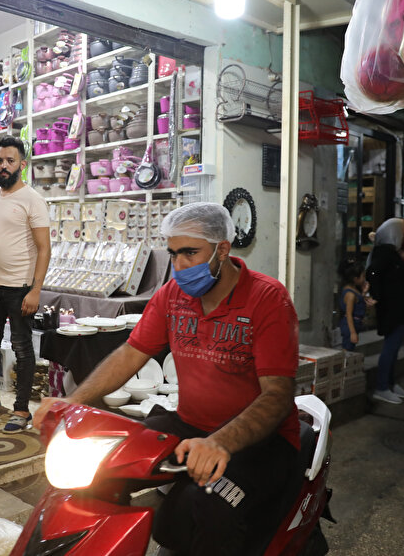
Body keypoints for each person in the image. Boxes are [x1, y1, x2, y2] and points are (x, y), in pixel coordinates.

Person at [34, 202, 301, 556]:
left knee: (208, 505)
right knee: (102, 467)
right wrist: (74, 402)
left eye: (190, 252)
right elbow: (130, 354)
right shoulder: (173, 296)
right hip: (191, 423)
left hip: (261, 442)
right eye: (173, 253)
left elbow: (277, 395)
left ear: (223, 249)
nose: (179, 265)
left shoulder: (268, 299)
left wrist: (220, 442)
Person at [0, 137, 51, 432]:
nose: (3, 166)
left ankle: (21, 409)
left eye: (10, 161)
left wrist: (35, 289)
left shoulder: (33, 200)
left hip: (19, 287)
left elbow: (45, 248)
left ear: (22, 165)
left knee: (21, 348)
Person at [366, 218, 404, 405]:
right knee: (390, 347)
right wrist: (377, 295)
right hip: (391, 309)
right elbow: (372, 272)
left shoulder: (393, 253)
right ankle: (381, 387)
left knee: (395, 348)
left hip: (400, 308)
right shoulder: (384, 252)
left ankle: (390, 383)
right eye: (402, 232)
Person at [338, 257, 370, 350]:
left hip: (355, 324)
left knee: (350, 348)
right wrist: (353, 333)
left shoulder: (354, 289)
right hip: (350, 326)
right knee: (347, 349)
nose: (364, 279)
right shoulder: (350, 294)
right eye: (363, 276)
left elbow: (358, 302)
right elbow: (349, 314)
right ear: (355, 279)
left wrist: (364, 293)